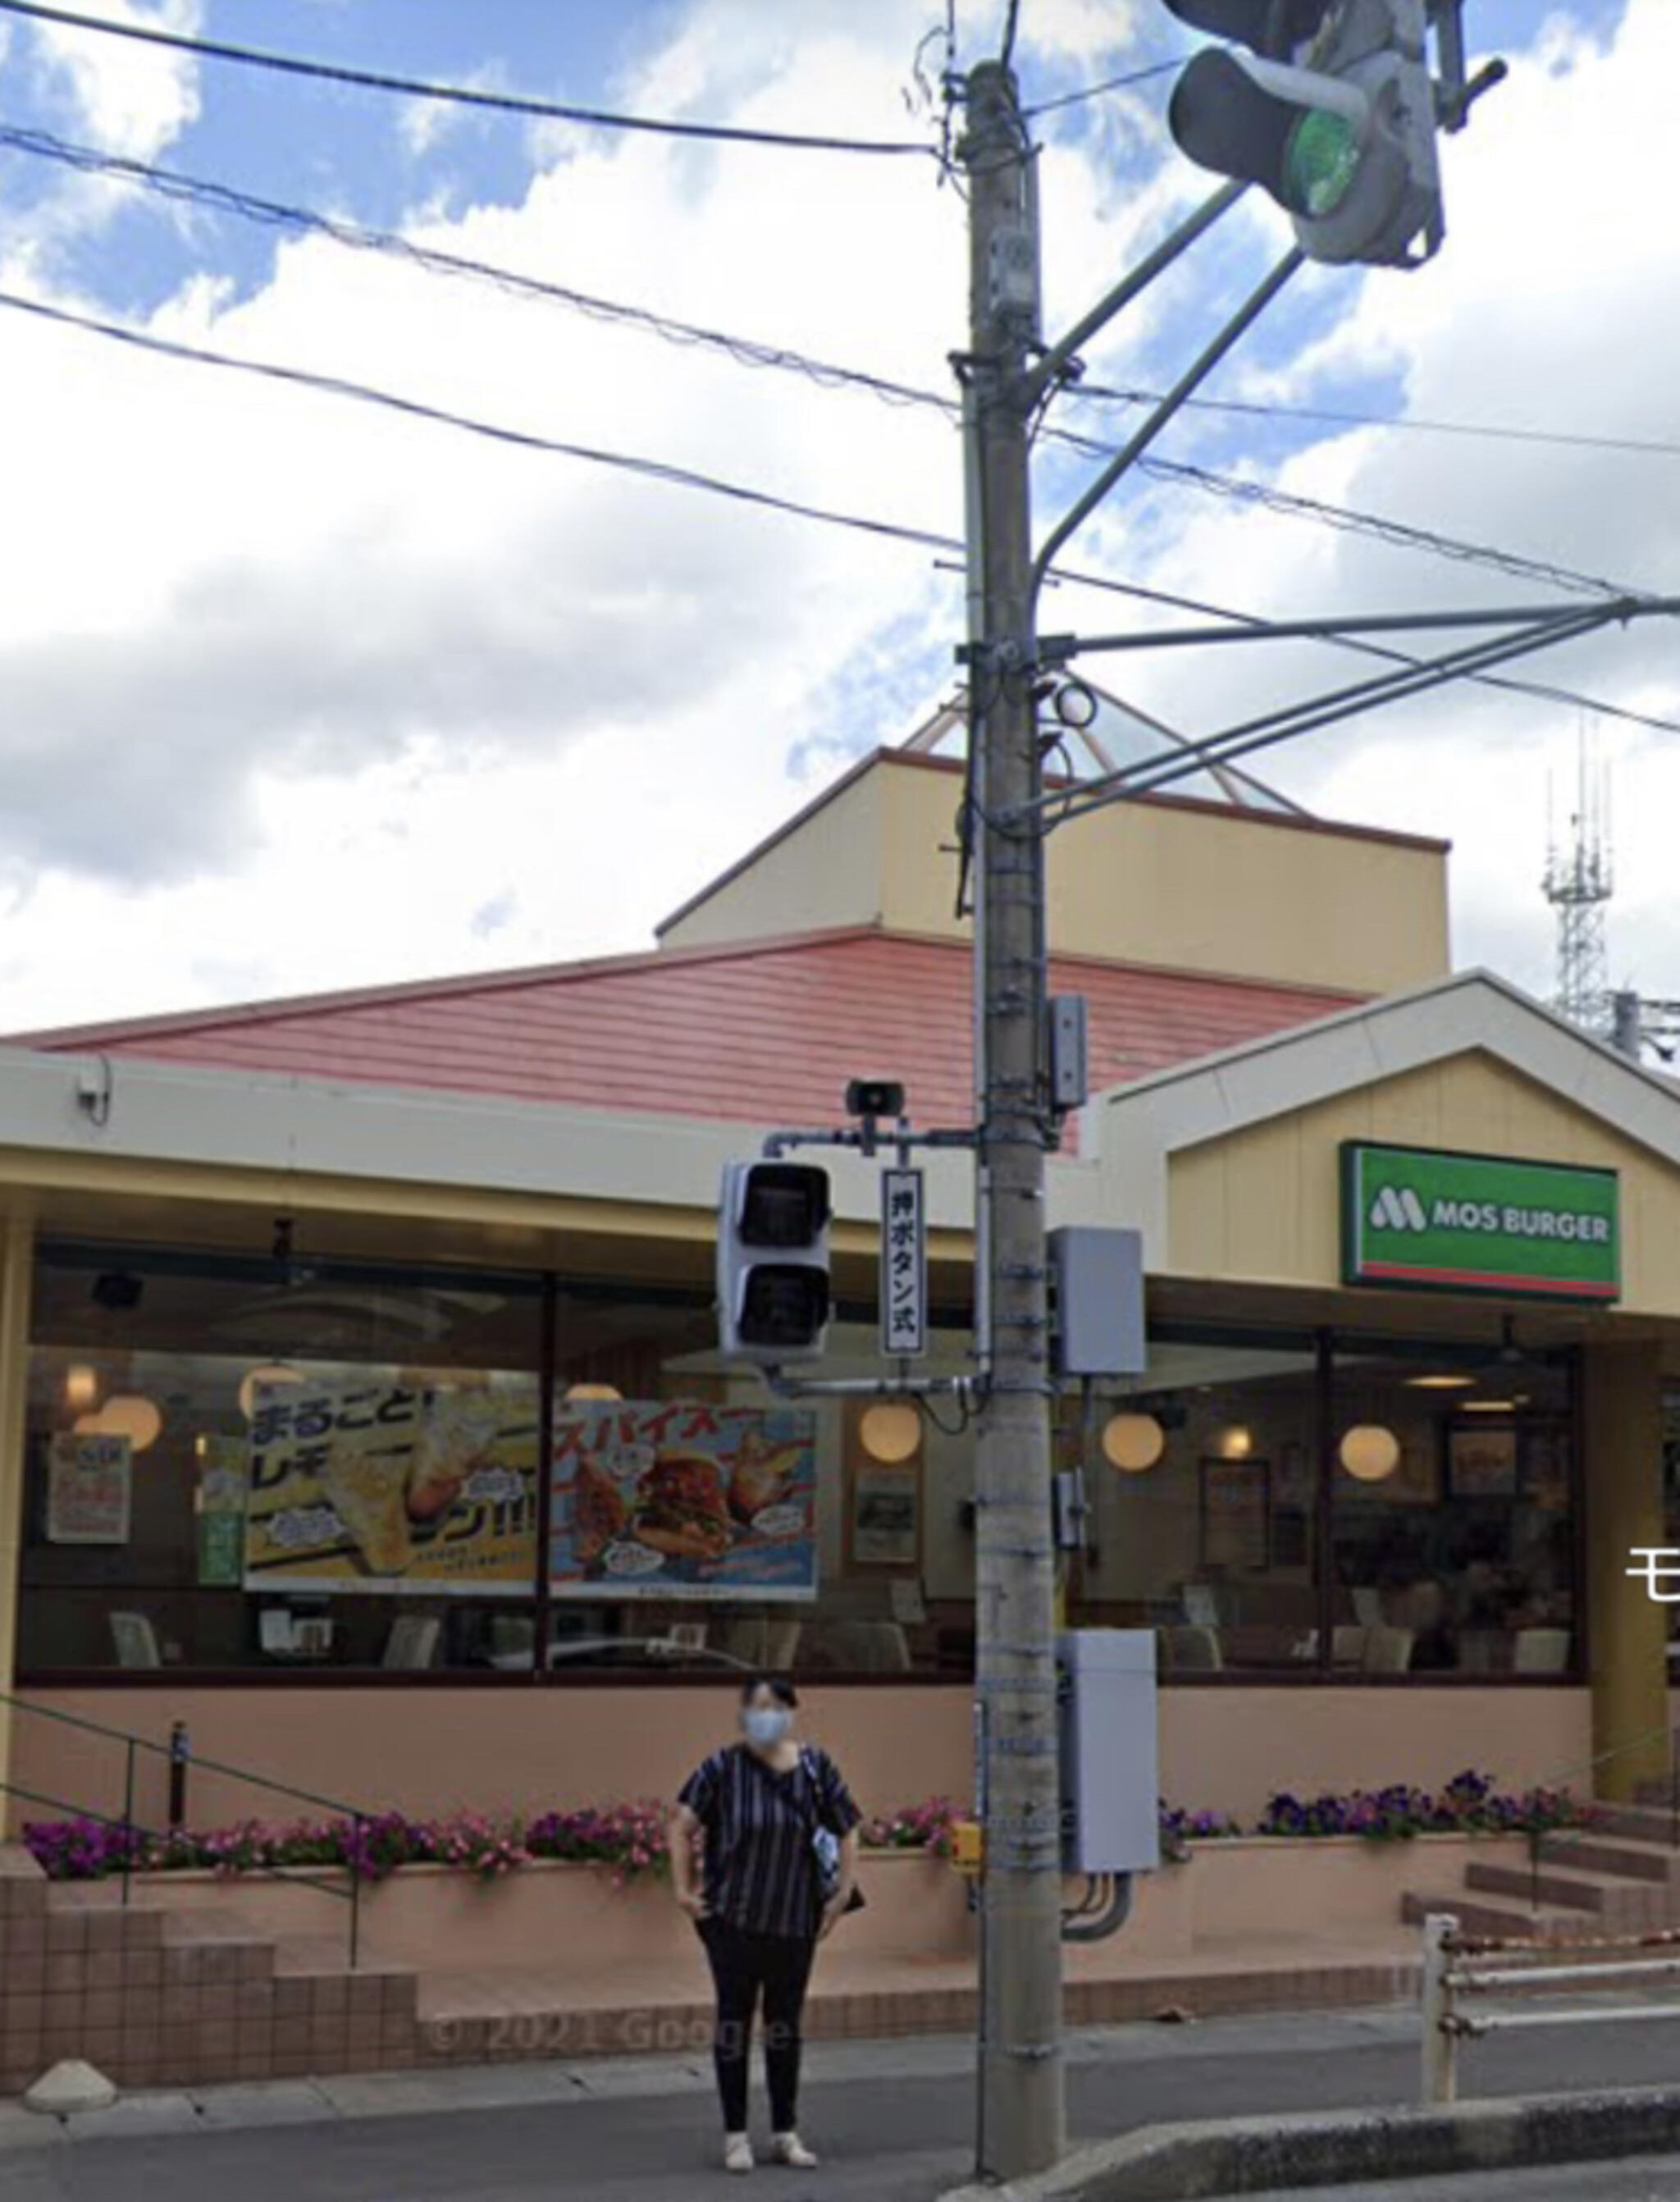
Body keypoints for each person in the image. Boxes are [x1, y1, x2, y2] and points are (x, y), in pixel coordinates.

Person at [669, 1674, 861, 2175]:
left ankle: (785, 2132)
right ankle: (735, 2136)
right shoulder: (723, 1768)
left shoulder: (816, 1768)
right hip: (733, 1921)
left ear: (793, 1710)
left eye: (775, 1705)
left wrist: (841, 1894)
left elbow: (848, 1827)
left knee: (785, 2026)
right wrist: (684, 1892)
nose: (766, 1714)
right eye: (756, 1706)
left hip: (796, 1922)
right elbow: (680, 1824)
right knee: (734, 2022)